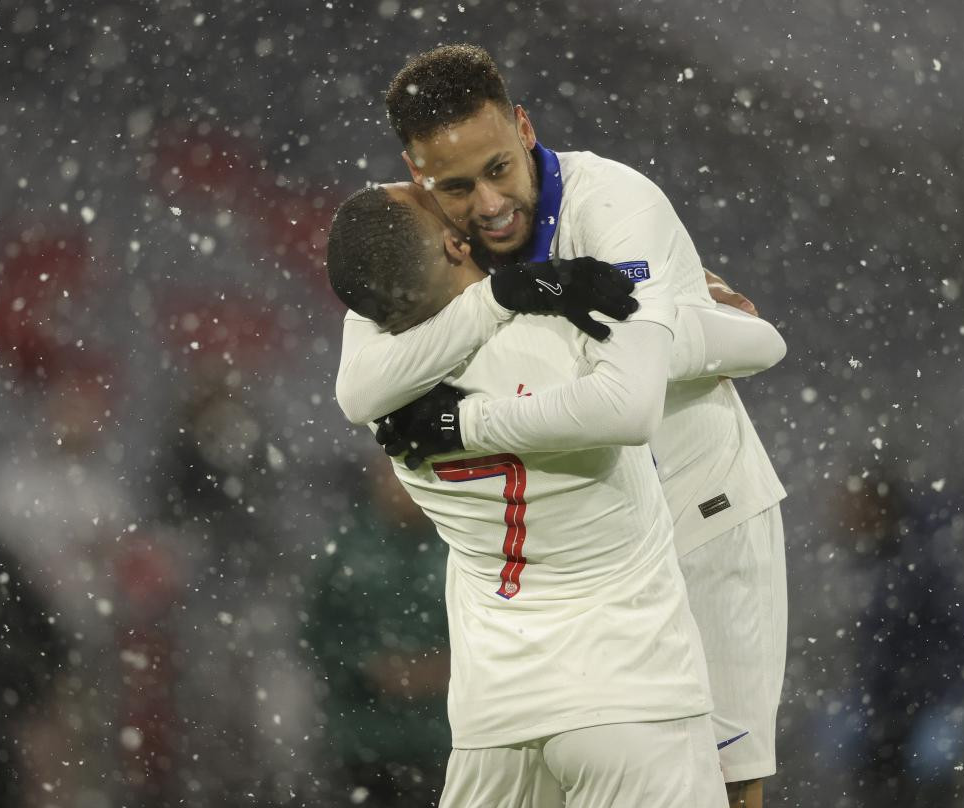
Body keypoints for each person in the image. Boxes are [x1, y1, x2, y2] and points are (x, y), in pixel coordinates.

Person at [335, 44, 789, 808]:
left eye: (498, 169)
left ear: (524, 127)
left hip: (696, 507)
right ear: (417, 175)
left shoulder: (614, 205)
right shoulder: (409, 234)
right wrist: (512, 294)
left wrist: (463, 416)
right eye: (455, 186)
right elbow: (359, 390)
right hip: (559, 566)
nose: (486, 206)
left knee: (731, 785)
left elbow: (638, 397)